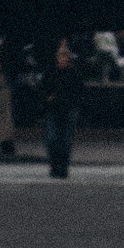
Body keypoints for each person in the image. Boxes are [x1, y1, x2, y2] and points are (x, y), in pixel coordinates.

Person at [40, 39, 82, 181]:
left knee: (66, 141)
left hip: (69, 109)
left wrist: (74, 103)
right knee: (52, 139)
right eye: (61, 56)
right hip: (52, 109)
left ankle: (63, 167)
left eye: (65, 56)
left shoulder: (74, 73)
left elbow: (79, 91)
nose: (63, 59)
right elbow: (42, 88)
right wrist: (47, 98)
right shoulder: (50, 72)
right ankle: (54, 165)